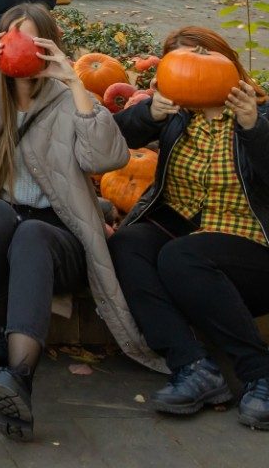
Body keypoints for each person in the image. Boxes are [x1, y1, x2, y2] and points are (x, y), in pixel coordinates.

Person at [0, 2, 160, 441]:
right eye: (11, 38)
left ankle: (16, 374)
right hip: (1, 224)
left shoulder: (70, 98)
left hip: (57, 233)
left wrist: (75, 85)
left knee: (31, 233)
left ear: (50, 47)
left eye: (32, 40)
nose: (21, 48)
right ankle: (3, 342)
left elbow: (108, 158)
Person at [109, 27, 269, 430]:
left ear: (222, 59)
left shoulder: (259, 112)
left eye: (198, 55)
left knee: (182, 256)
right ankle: (194, 367)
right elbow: (111, 139)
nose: (190, 67)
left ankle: (260, 374)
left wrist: (255, 130)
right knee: (128, 242)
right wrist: (147, 113)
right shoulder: (177, 116)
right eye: (179, 61)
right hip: (187, 239)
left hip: (252, 247)